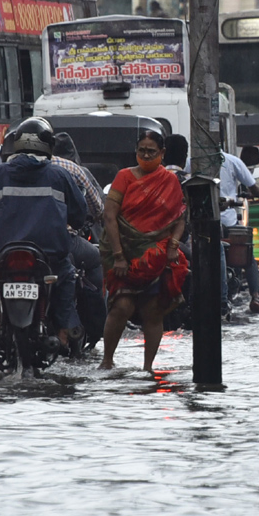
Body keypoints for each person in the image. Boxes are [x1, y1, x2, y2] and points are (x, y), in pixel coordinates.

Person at [0, 118, 87, 352]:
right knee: (66, 276)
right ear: (49, 146)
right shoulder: (60, 176)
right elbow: (79, 216)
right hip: (49, 255)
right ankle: (64, 330)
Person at [99, 130, 189, 371]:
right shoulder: (124, 177)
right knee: (121, 307)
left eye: (152, 151)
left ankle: (147, 367)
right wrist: (118, 255)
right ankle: (107, 361)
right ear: (135, 152)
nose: (146, 155)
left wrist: (172, 246)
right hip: (124, 254)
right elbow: (109, 216)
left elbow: (180, 218)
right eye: (142, 150)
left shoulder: (170, 181)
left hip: (156, 256)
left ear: (162, 154)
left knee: (153, 311)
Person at [52, 131, 107, 344]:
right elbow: (96, 207)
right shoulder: (73, 170)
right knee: (95, 260)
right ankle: (95, 326)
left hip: (15, 241)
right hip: (62, 239)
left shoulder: (7, 170)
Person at [217, 149, 259, 316]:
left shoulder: (191, 161)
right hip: (228, 222)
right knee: (248, 256)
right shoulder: (231, 161)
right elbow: (256, 190)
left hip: (199, 224)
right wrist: (255, 194)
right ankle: (256, 297)